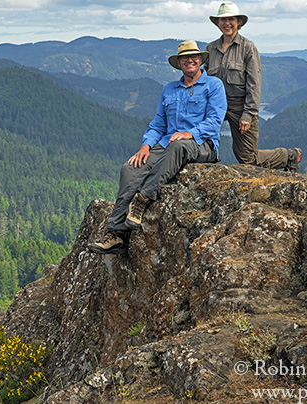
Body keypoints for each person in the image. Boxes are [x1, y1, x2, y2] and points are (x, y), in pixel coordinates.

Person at [88, 41, 227, 255]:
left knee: (178, 146)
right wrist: (145, 146)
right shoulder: (169, 89)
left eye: (194, 57)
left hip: (203, 144)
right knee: (130, 168)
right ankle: (116, 234)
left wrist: (190, 133)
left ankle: (142, 199)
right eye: (184, 58)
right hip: (167, 144)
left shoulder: (214, 86)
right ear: (179, 63)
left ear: (201, 60)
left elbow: (215, 121)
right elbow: (158, 124)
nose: (190, 60)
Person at [204, 1, 302, 172]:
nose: (227, 23)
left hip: (240, 106)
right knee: (197, 137)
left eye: (231, 19)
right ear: (218, 23)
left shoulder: (248, 48)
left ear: (238, 22)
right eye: (223, 20)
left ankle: (289, 156)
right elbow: (203, 80)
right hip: (215, 105)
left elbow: (254, 84)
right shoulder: (210, 48)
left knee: (247, 158)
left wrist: (248, 114)